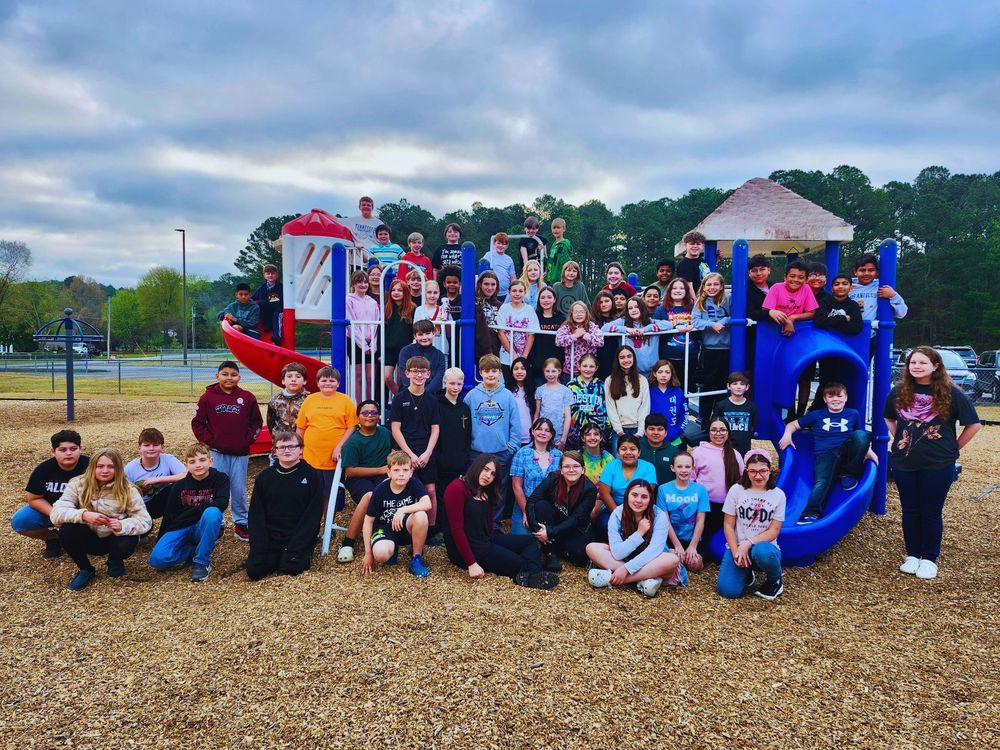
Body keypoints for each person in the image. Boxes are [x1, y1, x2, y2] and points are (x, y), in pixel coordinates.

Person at [884, 346, 981, 580]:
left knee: (931, 511)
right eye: (912, 362)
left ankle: (929, 558)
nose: (916, 366)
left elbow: (974, 425)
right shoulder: (898, 391)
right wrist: (902, 440)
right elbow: (888, 417)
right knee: (910, 509)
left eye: (922, 363)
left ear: (935, 366)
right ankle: (912, 555)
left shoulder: (951, 393)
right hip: (904, 462)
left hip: (938, 464)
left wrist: (953, 448)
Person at [442, 454, 558, 589]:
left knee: (529, 541)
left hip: (486, 540)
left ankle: (532, 575)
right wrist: (471, 563)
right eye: (485, 469)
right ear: (477, 466)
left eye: (492, 474)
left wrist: (503, 545)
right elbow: (456, 530)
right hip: (470, 550)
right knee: (519, 563)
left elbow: (489, 525)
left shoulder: (486, 491)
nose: (488, 476)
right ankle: (532, 574)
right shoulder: (456, 488)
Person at [49, 448, 151, 591]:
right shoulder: (77, 484)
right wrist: (83, 515)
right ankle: (85, 569)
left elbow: (145, 520)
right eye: (100, 466)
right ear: (92, 467)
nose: (105, 470)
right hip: (88, 536)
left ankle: (115, 560)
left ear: (118, 469)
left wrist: (122, 525)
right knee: (67, 530)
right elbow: (56, 513)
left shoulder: (128, 489)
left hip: (114, 538)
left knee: (129, 539)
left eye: (111, 467)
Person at [780, 382, 876, 524]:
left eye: (839, 396)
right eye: (831, 396)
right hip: (826, 454)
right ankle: (810, 513)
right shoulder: (816, 415)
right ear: (825, 399)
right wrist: (787, 435)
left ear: (845, 398)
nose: (835, 399)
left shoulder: (853, 414)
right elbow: (792, 424)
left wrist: (868, 451)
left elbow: (858, 435)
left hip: (846, 451)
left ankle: (847, 473)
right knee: (821, 482)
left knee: (862, 434)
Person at [191, 360, 262, 542]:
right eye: (225, 374)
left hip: (240, 453)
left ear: (239, 377)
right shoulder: (208, 397)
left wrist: (247, 440)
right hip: (217, 452)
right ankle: (218, 524)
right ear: (217, 376)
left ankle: (241, 523)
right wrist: (209, 441)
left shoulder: (247, 397)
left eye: (233, 375)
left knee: (239, 488)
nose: (229, 378)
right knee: (216, 488)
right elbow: (198, 423)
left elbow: (256, 423)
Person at [244, 431, 325, 581]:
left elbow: (313, 516)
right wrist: (259, 546)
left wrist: (297, 545)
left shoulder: (312, 476)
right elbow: (256, 515)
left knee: (292, 568)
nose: (287, 450)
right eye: (282, 447)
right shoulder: (265, 477)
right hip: (271, 537)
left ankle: (290, 556)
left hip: (297, 537)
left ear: (300, 449)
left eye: (292, 446)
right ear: (274, 451)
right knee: (254, 570)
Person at [586, 478, 683, 597]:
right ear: (627, 496)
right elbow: (617, 553)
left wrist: (626, 569)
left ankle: (613, 579)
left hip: (652, 560)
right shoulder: (617, 513)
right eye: (634, 495)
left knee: (672, 560)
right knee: (592, 548)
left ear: (650, 499)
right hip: (624, 558)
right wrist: (639, 533)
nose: (638, 500)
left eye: (644, 497)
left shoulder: (659, 515)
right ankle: (642, 580)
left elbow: (654, 550)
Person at [148, 442, 228, 582]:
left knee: (213, 512)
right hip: (182, 525)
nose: (198, 465)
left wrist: (196, 510)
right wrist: (162, 539)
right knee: (157, 560)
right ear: (186, 465)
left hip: (204, 525)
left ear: (211, 461)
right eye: (192, 461)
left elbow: (222, 503)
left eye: (202, 460)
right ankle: (194, 550)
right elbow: (169, 515)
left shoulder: (220, 479)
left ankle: (202, 562)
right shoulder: (179, 486)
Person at [717, 450, 785, 601]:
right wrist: (736, 551)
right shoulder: (736, 490)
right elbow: (728, 525)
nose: (758, 476)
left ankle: (775, 580)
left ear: (770, 469)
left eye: (762, 471)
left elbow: (773, 531)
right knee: (727, 591)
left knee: (762, 552)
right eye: (752, 471)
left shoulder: (778, 494)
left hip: (764, 546)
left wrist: (747, 544)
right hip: (738, 546)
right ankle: (747, 572)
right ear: (746, 471)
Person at [11, 430, 89, 559]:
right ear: (53, 452)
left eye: (73, 448)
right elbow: (33, 498)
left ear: (80, 449)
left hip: (84, 510)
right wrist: (56, 515)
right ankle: (53, 539)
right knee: (21, 521)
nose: (68, 453)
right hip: (51, 510)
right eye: (62, 450)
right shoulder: (44, 469)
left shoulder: (91, 466)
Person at [465, 354, 521, 523]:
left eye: (494, 371)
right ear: (480, 372)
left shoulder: (508, 396)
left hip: (501, 452)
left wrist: (511, 448)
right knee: (476, 488)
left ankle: (494, 525)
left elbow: (515, 424)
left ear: (499, 373)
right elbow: (465, 424)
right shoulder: (472, 396)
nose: (490, 375)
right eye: (486, 371)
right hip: (477, 452)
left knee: (499, 489)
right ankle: (476, 523)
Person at [335, 400, 392, 564]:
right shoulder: (353, 441)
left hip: (382, 476)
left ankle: (387, 535)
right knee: (370, 497)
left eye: (373, 413)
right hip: (359, 479)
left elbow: (395, 451)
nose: (369, 416)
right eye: (365, 413)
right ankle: (348, 542)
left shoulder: (385, 433)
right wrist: (381, 469)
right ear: (358, 417)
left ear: (379, 416)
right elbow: (350, 471)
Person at [389, 355, 441, 528]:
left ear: (429, 374)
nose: (419, 375)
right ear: (407, 373)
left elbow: (435, 429)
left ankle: (431, 528)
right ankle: (406, 526)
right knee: (406, 489)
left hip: (426, 451)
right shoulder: (399, 398)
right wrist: (409, 455)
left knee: (430, 490)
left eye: (422, 372)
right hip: (405, 452)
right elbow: (395, 429)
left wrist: (427, 453)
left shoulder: (433, 400)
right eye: (415, 371)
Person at [361, 451, 432, 577]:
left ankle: (417, 558)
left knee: (421, 515)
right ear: (388, 472)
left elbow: (427, 503)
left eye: (405, 470)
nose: (401, 474)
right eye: (396, 470)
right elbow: (368, 521)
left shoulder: (414, 483)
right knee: (381, 555)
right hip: (385, 529)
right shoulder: (380, 490)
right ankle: (392, 549)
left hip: (405, 527)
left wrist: (402, 510)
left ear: (411, 472)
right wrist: (368, 553)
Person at [295, 365, 357, 506]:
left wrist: (340, 447)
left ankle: (328, 526)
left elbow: (352, 426)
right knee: (311, 494)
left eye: (332, 380)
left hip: (334, 458)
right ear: (317, 383)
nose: (327, 383)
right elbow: (300, 428)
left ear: (338, 383)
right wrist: (299, 450)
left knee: (330, 495)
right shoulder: (310, 400)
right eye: (324, 380)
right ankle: (312, 525)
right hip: (311, 456)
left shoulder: (345, 400)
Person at [526, 451, 596, 569]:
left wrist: (550, 532)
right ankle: (550, 552)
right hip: (553, 520)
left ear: (583, 469)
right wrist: (538, 530)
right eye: (567, 466)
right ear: (561, 470)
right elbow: (532, 501)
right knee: (541, 505)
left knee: (580, 557)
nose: (571, 470)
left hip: (575, 528)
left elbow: (576, 518)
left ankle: (552, 544)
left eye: (576, 466)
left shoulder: (589, 489)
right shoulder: (553, 478)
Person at [811, 273, 864, 409]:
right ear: (832, 287)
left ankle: (842, 410)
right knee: (826, 379)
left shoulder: (853, 306)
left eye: (844, 284)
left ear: (850, 288)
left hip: (846, 348)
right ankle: (818, 409)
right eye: (837, 284)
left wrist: (832, 320)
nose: (841, 287)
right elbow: (820, 321)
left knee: (844, 379)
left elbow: (856, 328)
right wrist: (844, 318)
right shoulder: (825, 301)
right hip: (827, 348)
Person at [692, 418, 745, 552]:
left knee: (723, 540)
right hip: (705, 506)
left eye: (722, 430)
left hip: (728, 507)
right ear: (708, 432)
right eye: (714, 430)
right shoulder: (699, 452)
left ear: (728, 432)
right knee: (705, 546)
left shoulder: (735, 454)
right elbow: (691, 479)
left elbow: (742, 481)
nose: (718, 433)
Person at [596, 435, 657, 542]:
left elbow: (646, 494)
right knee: (604, 524)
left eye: (633, 449)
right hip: (613, 508)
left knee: (647, 527)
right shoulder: (611, 466)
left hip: (641, 509)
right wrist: (620, 516)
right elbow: (604, 494)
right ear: (618, 452)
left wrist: (633, 517)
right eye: (623, 449)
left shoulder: (648, 467)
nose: (628, 452)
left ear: (639, 452)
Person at [656, 451, 709, 572]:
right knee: (674, 559)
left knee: (695, 564)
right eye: (679, 466)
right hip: (672, 538)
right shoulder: (663, 489)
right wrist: (677, 545)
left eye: (687, 466)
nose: (683, 470)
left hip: (693, 539)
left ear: (693, 468)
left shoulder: (700, 489)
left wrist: (693, 546)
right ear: (672, 468)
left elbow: (701, 520)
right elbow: (665, 520)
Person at [510, 418, 562, 536]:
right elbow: (516, 486)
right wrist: (526, 512)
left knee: (553, 539)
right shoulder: (522, 454)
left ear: (551, 434)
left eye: (547, 430)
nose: (543, 433)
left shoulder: (558, 455)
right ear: (532, 431)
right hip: (525, 502)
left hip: (550, 505)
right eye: (539, 429)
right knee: (521, 539)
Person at [692, 272, 731, 427]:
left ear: (721, 286)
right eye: (708, 284)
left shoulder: (728, 299)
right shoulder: (700, 302)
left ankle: (719, 419)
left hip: (727, 347)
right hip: (710, 348)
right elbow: (695, 320)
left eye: (716, 284)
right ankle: (704, 419)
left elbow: (736, 315)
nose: (712, 287)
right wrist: (711, 324)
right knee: (708, 384)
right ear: (704, 286)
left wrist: (724, 320)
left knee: (723, 385)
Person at [849, 253, 908, 355]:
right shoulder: (847, 287)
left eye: (871, 270)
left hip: (871, 336)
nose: (866, 273)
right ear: (855, 272)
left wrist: (893, 295)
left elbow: (902, 313)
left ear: (877, 272)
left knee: (864, 366)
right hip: (849, 334)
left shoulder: (882, 287)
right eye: (862, 270)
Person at [124, 427, 186, 520]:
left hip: (162, 501)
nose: (151, 448)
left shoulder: (167, 459)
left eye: (155, 445)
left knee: (179, 486)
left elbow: (187, 475)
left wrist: (158, 479)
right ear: (139, 448)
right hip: (139, 506)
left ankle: (175, 524)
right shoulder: (130, 468)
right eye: (147, 445)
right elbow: (123, 494)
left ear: (162, 447)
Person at [436, 367, 473, 499]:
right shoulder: (436, 405)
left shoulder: (464, 408)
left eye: (459, 384)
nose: (455, 387)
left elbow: (468, 436)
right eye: (452, 383)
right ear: (445, 382)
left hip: (459, 464)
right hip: (440, 463)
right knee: (440, 497)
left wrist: (464, 459)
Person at [602, 296, 660, 376]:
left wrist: (646, 329)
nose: (634, 310)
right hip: (630, 372)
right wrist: (626, 330)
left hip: (651, 372)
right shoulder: (622, 321)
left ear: (642, 308)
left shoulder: (651, 321)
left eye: (636, 307)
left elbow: (669, 325)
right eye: (630, 308)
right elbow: (604, 328)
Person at [346, 269, 380, 401]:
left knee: (371, 377)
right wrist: (363, 345)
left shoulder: (372, 302)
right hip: (355, 342)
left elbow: (376, 324)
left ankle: (370, 405)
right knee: (359, 376)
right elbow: (351, 324)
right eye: (359, 282)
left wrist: (373, 344)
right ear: (353, 284)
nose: (363, 285)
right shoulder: (349, 300)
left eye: (365, 282)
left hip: (371, 344)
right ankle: (360, 406)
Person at [657, 277, 697, 387]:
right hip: (669, 356)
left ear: (686, 291)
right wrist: (675, 326)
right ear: (670, 291)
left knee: (686, 386)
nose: (678, 290)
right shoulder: (662, 309)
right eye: (674, 288)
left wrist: (693, 327)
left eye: (681, 288)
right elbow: (656, 325)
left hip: (690, 356)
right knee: (670, 386)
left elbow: (700, 323)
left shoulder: (693, 308)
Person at [605, 346, 650, 440]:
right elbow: (611, 407)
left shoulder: (642, 380)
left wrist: (640, 432)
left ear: (634, 358)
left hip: (638, 430)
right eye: (622, 357)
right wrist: (619, 431)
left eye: (629, 356)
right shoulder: (610, 380)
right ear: (617, 360)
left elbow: (645, 406)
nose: (626, 360)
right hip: (619, 430)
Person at [763, 260, 817, 337]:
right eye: (792, 276)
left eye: (801, 277)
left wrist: (792, 318)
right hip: (773, 328)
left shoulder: (806, 288)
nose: (795, 280)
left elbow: (811, 313)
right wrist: (786, 321)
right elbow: (766, 310)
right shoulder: (776, 288)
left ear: (806, 280)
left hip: (797, 328)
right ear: (785, 277)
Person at [566, 353, 610, 450]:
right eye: (585, 366)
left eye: (591, 366)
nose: (588, 369)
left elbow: (606, 407)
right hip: (575, 433)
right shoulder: (571, 385)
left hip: (596, 433)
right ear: (579, 366)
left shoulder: (601, 385)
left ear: (596, 368)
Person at [497, 279, 539, 375]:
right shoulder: (504, 308)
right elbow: (501, 333)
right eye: (514, 291)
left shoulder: (529, 309)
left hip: (525, 355)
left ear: (525, 293)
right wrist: (513, 354)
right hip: (506, 356)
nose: (517, 294)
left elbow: (532, 335)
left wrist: (524, 356)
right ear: (509, 292)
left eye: (520, 291)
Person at [710, 372, 756, 456]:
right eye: (735, 384)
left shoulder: (751, 406)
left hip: (744, 448)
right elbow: (714, 425)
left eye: (742, 384)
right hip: (724, 447)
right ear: (728, 386)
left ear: (747, 387)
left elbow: (753, 425)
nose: (738, 387)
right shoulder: (721, 405)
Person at [266, 363, 309, 451]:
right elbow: (271, 424)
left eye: (298, 376)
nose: (293, 379)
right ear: (283, 380)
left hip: (303, 448)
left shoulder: (310, 400)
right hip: (280, 448)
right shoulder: (275, 400)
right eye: (289, 376)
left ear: (304, 381)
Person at [555, 301, 603, 380]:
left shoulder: (591, 326)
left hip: (588, 369)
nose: (579, 314)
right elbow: (558, 341)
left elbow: (600, 341)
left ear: (586, 313)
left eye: (581, 312)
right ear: (571, 314)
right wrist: (574, 336)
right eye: (576, 312)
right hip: (571, 370)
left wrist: (585, 335)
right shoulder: (567, 326)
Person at [382, 279, 415, 395]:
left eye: (399, 290)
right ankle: (401, 397)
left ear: (405, 292)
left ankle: (404, 404)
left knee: (403, 379)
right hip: (388, 349)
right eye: (393, 290)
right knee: (387, 377)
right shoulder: (386, 309)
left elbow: (415, 330)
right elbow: (381, 331)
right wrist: (381, 352)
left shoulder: (412, 309)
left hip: (406, 349)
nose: (396, 292)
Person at [398, 320, 447, 394]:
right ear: (415, 336)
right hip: (409, 393)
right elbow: (404, 375)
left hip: (432, 394)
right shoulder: (406, 351)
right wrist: (416, 391)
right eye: (420, 334)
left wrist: (424, 393)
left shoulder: (439, 355)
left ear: (433, 333)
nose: (424, 337)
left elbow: (438, 378)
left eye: (427, 333)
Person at [535, 358, 573, 448]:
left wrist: (563, 440)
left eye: (553, 371)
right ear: (544, 372)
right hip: (542, 434)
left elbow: (568, 417)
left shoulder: (566, 391)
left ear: (559, 371)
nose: (550, 374)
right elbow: (537, 414)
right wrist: (535, 433)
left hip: (558, 436)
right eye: (547, 371)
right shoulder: (540, 390)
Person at [744, 254, 772, 378]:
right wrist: (770, 313)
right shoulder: (745, 289)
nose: (758, 273)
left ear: (769, 270)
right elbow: (749, 312)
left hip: (774, 335)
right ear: (749, 273)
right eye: (754, 270)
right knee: (750, 370)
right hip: (752, 336)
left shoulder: (776, 287)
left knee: (771, 368)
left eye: (762, 269)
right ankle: (750, 397)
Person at [648, 360, 686, 448]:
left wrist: (676, 431)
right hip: (652, 438)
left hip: (674, 438)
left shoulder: (678, 392)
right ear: (654, 373)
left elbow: (684, 414)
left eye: (667, 372)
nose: (663, 375)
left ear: (671, 374)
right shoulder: (648, 391)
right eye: (660, 372)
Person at [529, 286, 565, 380]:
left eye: (549, 297)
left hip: (556, 366)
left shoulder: (562, 319)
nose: (546, 300)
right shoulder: (533, 317)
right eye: (543, 297)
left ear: (554, 300)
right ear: (539, 300)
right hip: (537, 365)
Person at [413, 280, 452, 357]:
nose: (432, 295)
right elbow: (416, 330)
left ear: (439, 293)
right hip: (422, 350)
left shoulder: (444, 309)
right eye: (429, 292)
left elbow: (450, 333)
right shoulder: (419, 310)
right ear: (424, 293)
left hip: (441, 348)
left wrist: (445, 320)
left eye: (435, 292)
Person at [638, 413, 677, 486]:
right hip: (641, 494)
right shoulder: (636, 448)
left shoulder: (674, 451)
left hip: (665, 494)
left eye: (660, 429)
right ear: (645, 432)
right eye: (651, 429)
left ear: (666, 433)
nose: (656, 433)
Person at [341, 195, 380, 264]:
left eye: (368, 205)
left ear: (372, 208)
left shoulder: (379, 223)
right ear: (359, 207)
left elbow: (386, 240)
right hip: (357, 260)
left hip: (374, 258)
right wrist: (322, 212)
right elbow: (336, 220)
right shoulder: (352, 221)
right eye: (363, 205)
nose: (366, 207)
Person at [251, 263, 283, 345]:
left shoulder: (280, 287)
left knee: (277, 313)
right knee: (261, 303)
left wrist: (268, 296)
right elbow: (251, 299)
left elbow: (277, 302)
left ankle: (277, 336)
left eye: (273, 273)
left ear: (277, 275)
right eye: (268, 273)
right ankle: (265, 327)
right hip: (266, 313)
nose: (270, 275)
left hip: (277, 310)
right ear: (265, 276)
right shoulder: (262, 288)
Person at [474, 270, 502, 359]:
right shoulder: (474, 303)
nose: (490, 288)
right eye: (486, 284)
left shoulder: (500, 305)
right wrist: (488, 350)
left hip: (497, 349)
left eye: (493, 284)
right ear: (480, 284)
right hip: (479, 349)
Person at [507, 357, 535, 446]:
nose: (519, 372)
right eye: (516, 369)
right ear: (512, 372)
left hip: (529, 437)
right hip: (510, 437)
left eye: (523, 369)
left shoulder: (534, 390)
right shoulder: (506, 391)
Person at [591, 290, 618, 379]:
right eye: (600, 302)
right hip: (598, 357)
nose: (603, 304)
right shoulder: (592, 321)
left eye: (606, 301)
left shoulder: (619, 320)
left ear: (612, 302)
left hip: (615, 356)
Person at [484, 232, 517, 301]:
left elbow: (513, 277)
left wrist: (514, 289)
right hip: (491, 293)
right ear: (494, 244)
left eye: (503, 244)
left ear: (507, 246)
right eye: (498, 243)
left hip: (505, 294)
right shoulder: (489, 255)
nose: (501, 246)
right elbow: (482, 272)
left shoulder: (509, 259)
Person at [545, 217, 572, 285]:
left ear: (564, 229)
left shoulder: (564, 245)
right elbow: (551, 262)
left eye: (558, 227)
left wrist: (563, 279)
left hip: (559, 281)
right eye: (554, 228)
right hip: (550, 280)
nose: (556, 230)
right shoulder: (554, 245)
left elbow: (565, 264)